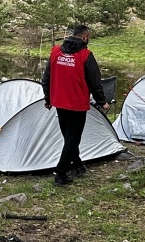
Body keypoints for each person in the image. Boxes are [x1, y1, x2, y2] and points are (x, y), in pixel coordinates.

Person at [41, 23, 108, 186]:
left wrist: (48, 98)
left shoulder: (56, 51)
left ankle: (78, 165)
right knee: (72, 139)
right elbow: (95, 82)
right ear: (85, 37)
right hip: (77, 104)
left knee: (69, 137)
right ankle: (61, 173)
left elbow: (46, 79)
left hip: (59, 102)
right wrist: (103, 102)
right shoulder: (86, 55)